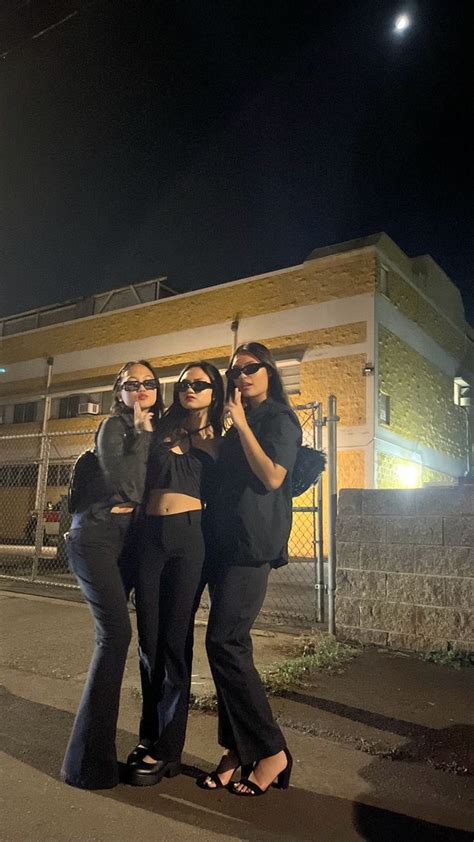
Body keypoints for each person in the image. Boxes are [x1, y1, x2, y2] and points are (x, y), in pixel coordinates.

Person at [199, 342, 302, 797]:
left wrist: (239, 423)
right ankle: (237, 749)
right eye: (234, 370)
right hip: (222, 546)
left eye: (250, 368)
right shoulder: (236, 424)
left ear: (268, 372)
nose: (241, 376)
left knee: (225, 641)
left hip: (250, 548)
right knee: (227, 648)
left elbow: (273, 477)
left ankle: (272, 751)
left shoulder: (279, 419)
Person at [61, 360, 163, 790]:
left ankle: (122, 748)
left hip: (127, 541)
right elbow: (129, 486)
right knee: (115, 636)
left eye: (148, 383)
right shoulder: (114, 428)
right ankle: (85, 764)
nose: (140, 389)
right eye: (131, 384)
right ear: (119, 392)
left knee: (130, 639)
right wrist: (141, 433)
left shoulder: (158, 430)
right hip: (96, 536)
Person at [127, 361, 224, 786]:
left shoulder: (222, 438)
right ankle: (149, 736)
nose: (191, 388)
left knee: (174, 641)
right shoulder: (161, 426)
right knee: (148, 639)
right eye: (185, 382)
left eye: (200, 383)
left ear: (214, 392)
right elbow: (132, 473)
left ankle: (169, 749)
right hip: (150, 534)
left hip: (190, 540)